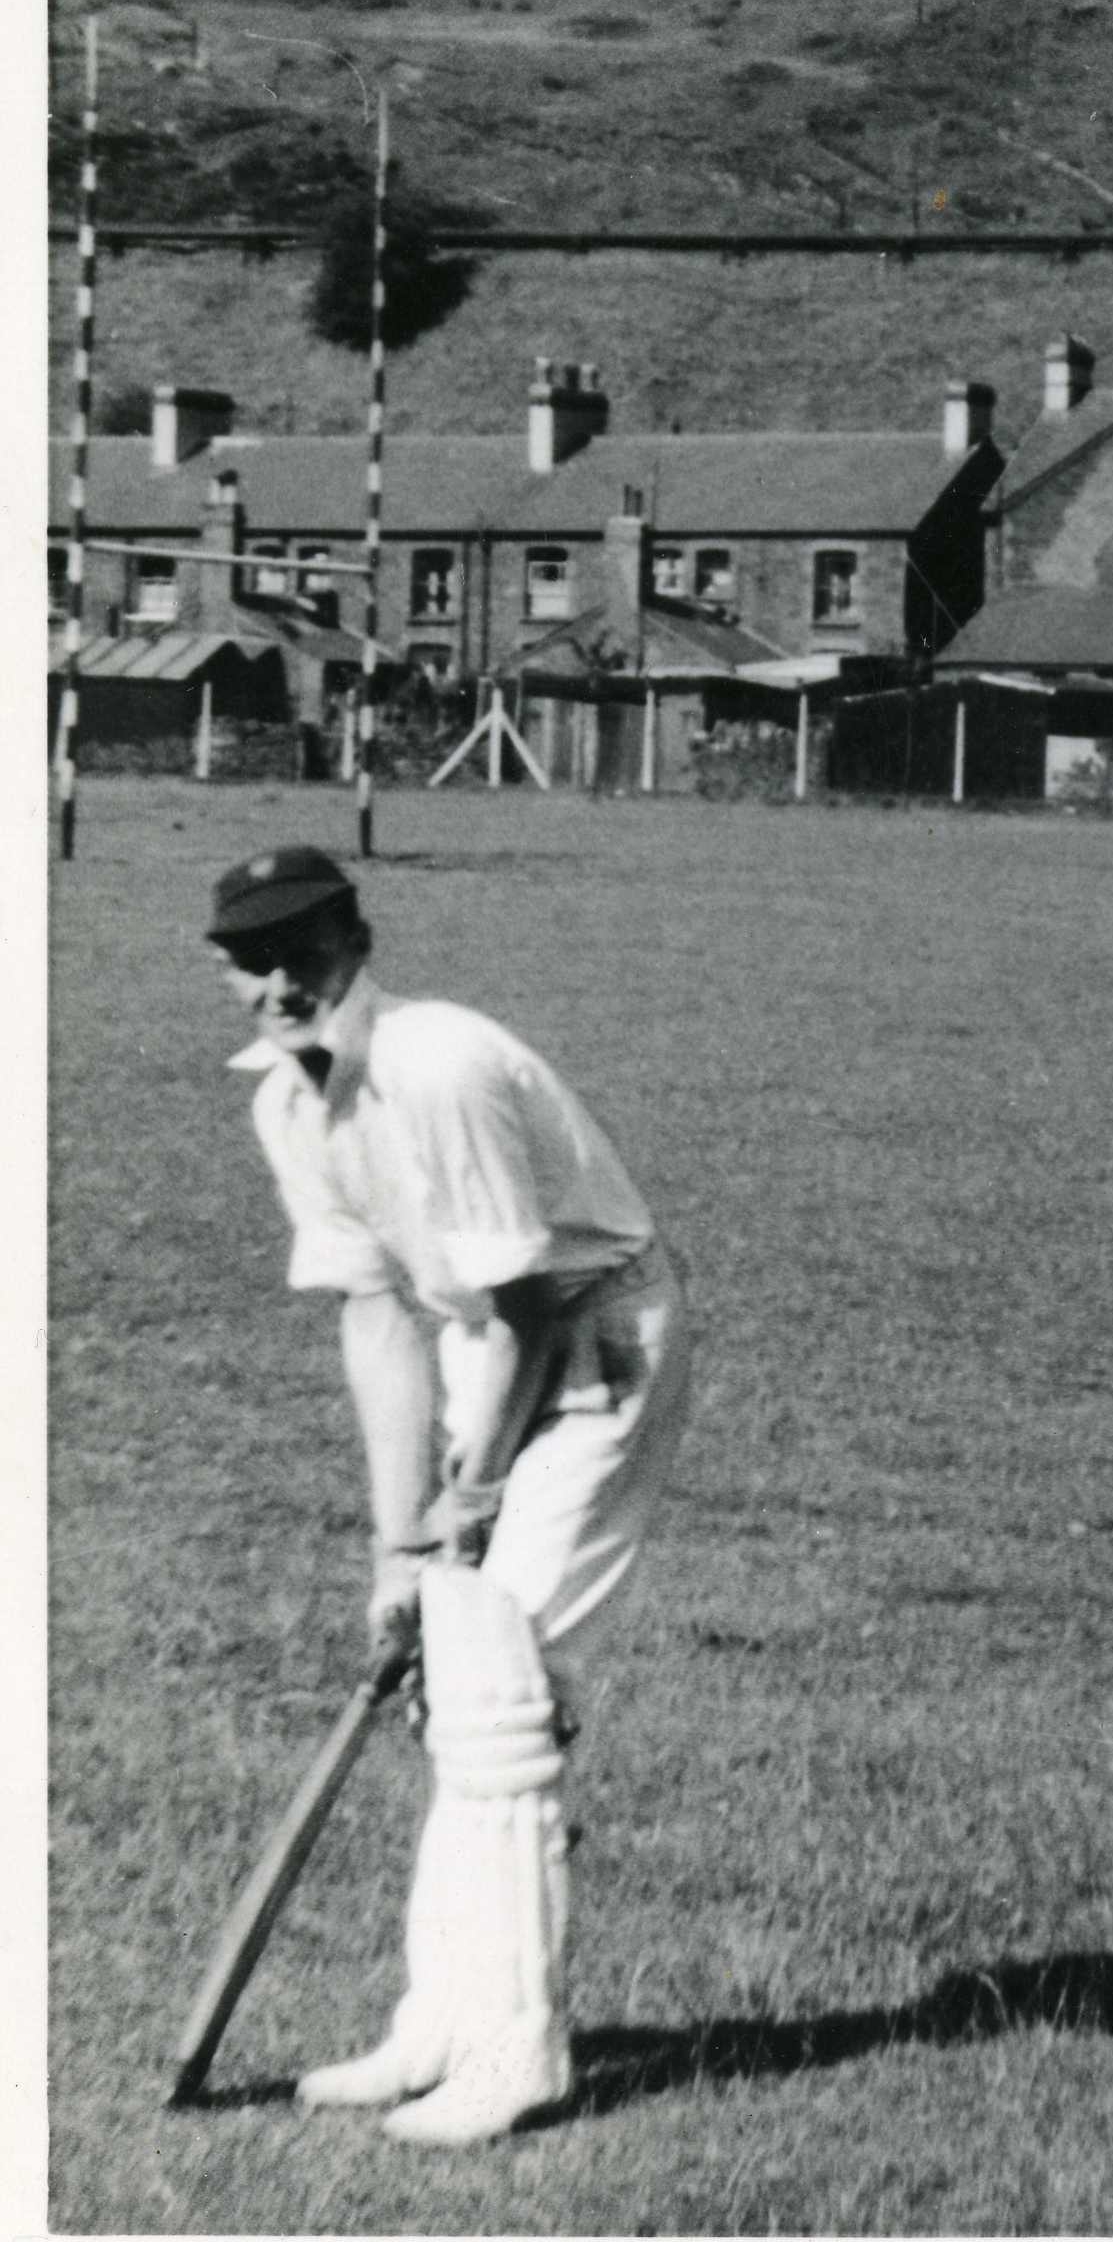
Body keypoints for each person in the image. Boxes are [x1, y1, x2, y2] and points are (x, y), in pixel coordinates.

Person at [207, 844, 692, 2146]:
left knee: (502, 1694)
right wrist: (398, 1544)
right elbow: (376, 1316)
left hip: (599, 1337)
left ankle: (520, 2049)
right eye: (250, 960)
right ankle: (437, 2025)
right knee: (452, 1693)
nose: (277, 982)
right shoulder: (284, 1106)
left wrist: (468, 1501)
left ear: (355, 939)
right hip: (491, 1332)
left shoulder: (443, 1066)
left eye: (300, 950)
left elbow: (536, 1304)